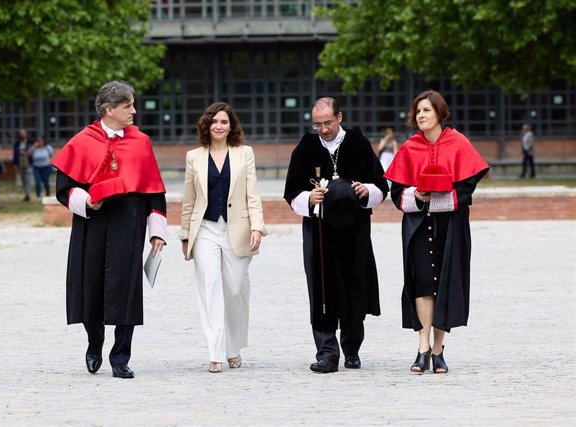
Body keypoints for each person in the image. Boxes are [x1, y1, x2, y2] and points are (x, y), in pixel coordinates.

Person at [52, 81, 167, 379]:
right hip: (92, 222)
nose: (134, 110)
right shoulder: (81, 141)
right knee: (90, 284)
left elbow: (154, 190)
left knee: (126, 288)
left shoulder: (140, 141)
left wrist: (157, 231)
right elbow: (63, 190)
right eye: (127, 105)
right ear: (109, 109)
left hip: (129, 223)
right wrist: (87, 202)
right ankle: (95, 342)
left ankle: (120, 357)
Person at [384, 90, 489, 374]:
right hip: (418, 226)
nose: (421, 116)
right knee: (422, 283)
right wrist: (419, 197)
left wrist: (437, 199)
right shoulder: (409, 147)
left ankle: (439, 349)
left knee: (444, 283)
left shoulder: (458, 143)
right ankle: (422, 347)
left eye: (427, 111)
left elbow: (466, 188)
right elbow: (396, 194)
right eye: (418, 111)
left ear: (440, 113)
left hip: (450, 226)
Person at [283, 97, 388, 373]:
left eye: (328, 122)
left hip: (355, 232)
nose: (323, 129)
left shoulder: (358, 144)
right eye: (317, 124)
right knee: (321, 290)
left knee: (355, 285)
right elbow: (291, 192)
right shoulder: (306, 148)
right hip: (319, 233)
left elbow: (380, 185)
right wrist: (310, 197)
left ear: (339, 117)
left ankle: (352, 348)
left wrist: (367, 191)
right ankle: (327, 352)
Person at [180, 102, 267, 373]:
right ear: (207, 124)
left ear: (231, 126)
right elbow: (188, 199)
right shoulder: (194, 157)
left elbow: (252, 194)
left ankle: (233, 346)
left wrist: (257, 227)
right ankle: (216, 352)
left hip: (237, 230)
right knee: (211, 287)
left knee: (234, 289)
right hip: (205, 229)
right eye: (214, 121)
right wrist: (185, 235)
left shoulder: (245, 154)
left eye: (224, 122)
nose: (219, 126)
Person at [12, 128, 34, 201]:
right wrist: (14, 164)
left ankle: (28, 195)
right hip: (20, 164)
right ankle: (26, 194)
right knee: (23, 180)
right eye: (21, 133)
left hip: (28, 163)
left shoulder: (30, 142)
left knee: (28, 179)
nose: (22, 135)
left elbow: (32, 152)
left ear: (26, 134)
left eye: (23, 133)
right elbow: (15, 154)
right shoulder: (17, 143)